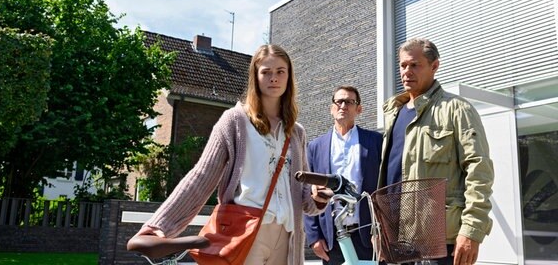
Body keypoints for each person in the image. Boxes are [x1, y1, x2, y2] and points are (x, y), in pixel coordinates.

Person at [132, 44, 331, 265]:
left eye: (280, 71)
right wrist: (158, 226)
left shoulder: (296, 132)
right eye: (266, 72)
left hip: (288, 234)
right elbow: (201, 176)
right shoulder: (235, 121)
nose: (273, 78)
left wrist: (316, 197)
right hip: (245, 231)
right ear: (255, 76)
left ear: (289, 77)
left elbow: (303, 196)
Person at [378, 38, 494, 265]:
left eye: (414, 65)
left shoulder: (457, 109)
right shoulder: (393, 115)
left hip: (437, 242)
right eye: (403, 66)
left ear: (435, 66)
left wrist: (471, 230)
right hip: (394, 242)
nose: (406, 72)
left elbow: (480, 171)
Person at [304, 85, 383, 264]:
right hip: (331, 239)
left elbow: (384, 188)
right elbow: (307, 192)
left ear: (359, 109)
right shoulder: (316, 147)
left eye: (349, 102)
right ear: (332, 109)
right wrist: (313, 236)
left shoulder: (375, 141)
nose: (343, 106)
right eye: (338, 101)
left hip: (369, 236)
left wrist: (383, 232)